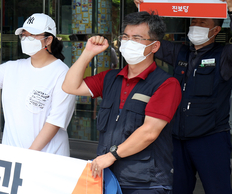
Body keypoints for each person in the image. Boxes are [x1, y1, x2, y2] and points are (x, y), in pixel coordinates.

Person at [62, 11, 182, 193]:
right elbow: (70, 86)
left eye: (137, 38)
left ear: (154, 46)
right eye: (125, 37)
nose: (129, 42)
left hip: (145, 182)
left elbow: (149, 132)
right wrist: (88, 53)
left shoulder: (166, 84)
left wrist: (112, 155)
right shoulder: (111, 78)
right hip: (107, 177)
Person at [135, 0, 232, 193]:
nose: (195, 25)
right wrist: (144, 14)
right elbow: (149, 43)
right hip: (177, 140)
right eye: (193, 21)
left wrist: (231, 9)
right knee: (176, 189)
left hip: (210, 139)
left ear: (215, 30)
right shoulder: (180, 53)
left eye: (202, 23)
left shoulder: (224, 56)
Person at [0, 14, 76, 156]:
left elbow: (55, 121)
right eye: (24, 35)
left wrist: (29, 155)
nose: (26, 39)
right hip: (13, 156)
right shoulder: (13, 67)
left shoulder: (62, 73)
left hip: (47, 158)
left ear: (48, 40)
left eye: (32, 35)